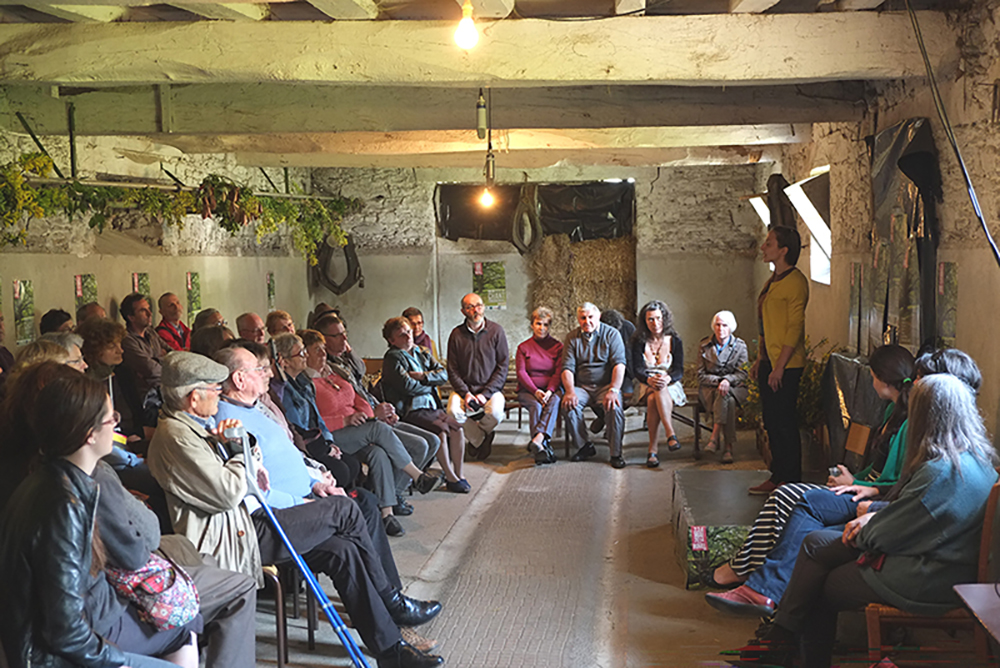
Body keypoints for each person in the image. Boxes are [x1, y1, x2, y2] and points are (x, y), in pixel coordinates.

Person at [147, 351, 445, 668]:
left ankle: (390, 651)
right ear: (194, 397)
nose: (219, 395)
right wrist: (239, 454)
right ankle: (391, 601)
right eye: (214, 389)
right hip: (237, 536)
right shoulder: (178, 437)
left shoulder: (198, 424)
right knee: (345, 509)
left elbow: (257, 473)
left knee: (342, 548)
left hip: (250, 522)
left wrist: (287, 474)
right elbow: (229, 492)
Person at [739, 373, 999, 668]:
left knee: (818, 580)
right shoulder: (979, 462)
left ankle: (784, 646)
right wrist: (873, 521)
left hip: (926, 578)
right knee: (814, 544)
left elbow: (892, 533)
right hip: (945, 564)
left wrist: (866, 527)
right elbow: (917, 518)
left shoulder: (939, 472)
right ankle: (780, 641)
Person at [0, 365, 198, 668]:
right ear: (88, 434)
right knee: (183, 630)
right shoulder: (64, 504)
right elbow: (65, 631)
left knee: (183, 628)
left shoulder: (46, 478)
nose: (116, 427)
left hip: (44, 641)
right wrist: (119, 661)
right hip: (49, 656)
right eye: (111, 419)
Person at [706, 344, 915, 593]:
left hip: (872, 496)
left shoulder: (909, 422)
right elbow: (875, 467)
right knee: (782, 498)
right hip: (861, 487)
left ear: (883, 378)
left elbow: (894, 482)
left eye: (872, 376)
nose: (870, 382)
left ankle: (746, 572)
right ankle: (749, 569)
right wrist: (852, 477)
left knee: (786, 496)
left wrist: (855, 484)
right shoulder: (891, 409)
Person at [271, 334, 441, 535]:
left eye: (320, 349)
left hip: (354, 429)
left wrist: (368, 414)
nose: (317, 354)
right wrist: (339, 427)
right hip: (336, 434)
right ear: (285, 360)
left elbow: (357, 399)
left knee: (379, 452)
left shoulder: (324, 375)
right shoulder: (298, 384)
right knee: (380, 430)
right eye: (310, 351)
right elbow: (305, 424)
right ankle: (417, 476)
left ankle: (386, 513)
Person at [315, 313, 445, 504]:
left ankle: (393, 494)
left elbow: (360, 375)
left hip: (372, 415)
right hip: (358, 424)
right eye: (338, 335)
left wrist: (379, 408)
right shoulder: (328, 369)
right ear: (323, 340)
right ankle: (397, 494)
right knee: (419, 445)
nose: (345, 339)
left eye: (345, 334)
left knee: (433, 441)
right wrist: (373, 413)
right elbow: (405, 387)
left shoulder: (343, 361)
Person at [750, 225, 809, 495]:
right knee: (771, 421)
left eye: (769, 243)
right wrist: (761, 359)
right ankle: (777, 474)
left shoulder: (795, 282)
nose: (764, 247)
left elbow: (793, 329)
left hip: (786, 365)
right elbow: (765, 325)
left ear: (784, 250)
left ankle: (791, 477)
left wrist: (779, 367)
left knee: (784, 422)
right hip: (769, 362)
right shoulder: (773, 280)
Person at [382, 316, 468, 493]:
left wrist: (423, 377)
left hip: (431, 406)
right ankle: (450, 475)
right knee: (441, 431)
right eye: (401, 335)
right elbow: (407, 387)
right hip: (410, 409)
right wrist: (429, 385)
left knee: (457, 428)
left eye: (408, 331)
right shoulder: (393, 358)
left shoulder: (422, 351)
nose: (408, 336)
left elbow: (443, 375)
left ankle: (459, 474)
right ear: (392, 340)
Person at [562, 302, 627, 468]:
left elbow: (619, 364)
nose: (587, 321)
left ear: (598, 316)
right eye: (582, 318)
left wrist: (613, 389)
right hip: (582, 386)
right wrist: (570, 391)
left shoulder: (611, 335)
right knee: (569, 405)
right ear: (578, 319)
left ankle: (615, 453)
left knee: (614, 406)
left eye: (590, 317)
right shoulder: (572, 337)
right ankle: (584, 446)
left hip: (605, 385)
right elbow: (567, 368)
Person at [446, 292, 509, 461]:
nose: (476, 310)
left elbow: (503, 367)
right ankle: (481, 440)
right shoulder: (456, 335)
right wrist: (465, 393)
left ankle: (476, 437)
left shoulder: (496, 331)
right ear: (463, 311)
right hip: (464, 390)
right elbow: (452, 369)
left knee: (496, 414)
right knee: (452, 412)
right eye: (470, 306)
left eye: (479, 305)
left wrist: (486, 394)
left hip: (490, 389)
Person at [631, 300, 684, 467]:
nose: (655, 323)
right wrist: (648, 379)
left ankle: (652, 450)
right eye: (651, 319)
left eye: (658, 318)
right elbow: (637, 369)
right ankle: (670, 433)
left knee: (655, 396)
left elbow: (679, 370)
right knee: (655, 387)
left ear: (665, 318)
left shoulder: (674, 340)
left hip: (670, 384)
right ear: (644, 322)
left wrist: (668, 378)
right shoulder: (638, 341)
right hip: (645, 383)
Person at [696, 310, 748, 464]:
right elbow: (700, 375)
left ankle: (714, 437)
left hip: (735, 387)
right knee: (726, 399)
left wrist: (727, 380)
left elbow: (743, 373)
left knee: (726, 395)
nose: (720, 329)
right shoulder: (704, 346)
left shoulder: (740, 346)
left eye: (724, 325)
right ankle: (728, 447)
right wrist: (720, 382)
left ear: (731, 327)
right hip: (710, 389)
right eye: (717, 325)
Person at [515, 306, 562, 465]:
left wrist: (549, 391)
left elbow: (558, 372)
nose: (542, 328)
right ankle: (542, 446)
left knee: (554, 401)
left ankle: (538, 440)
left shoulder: (557, 347)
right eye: (538, 324)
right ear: (532, 325)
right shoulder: (523, 347)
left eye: (546, 324)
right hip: (528, 390)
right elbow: (521, 373)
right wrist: (536, 391)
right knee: (536, 405)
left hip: (551, 389)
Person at [120, 292, 164, 398]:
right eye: (142, 311)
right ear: (131, 317)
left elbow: (173, 352)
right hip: (147, 396)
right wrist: (164, 359)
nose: (150, 314)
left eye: (148, 309)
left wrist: (157, 361)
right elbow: (150, 369)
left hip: (163, 387)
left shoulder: (151, 333)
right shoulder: (127, 340)